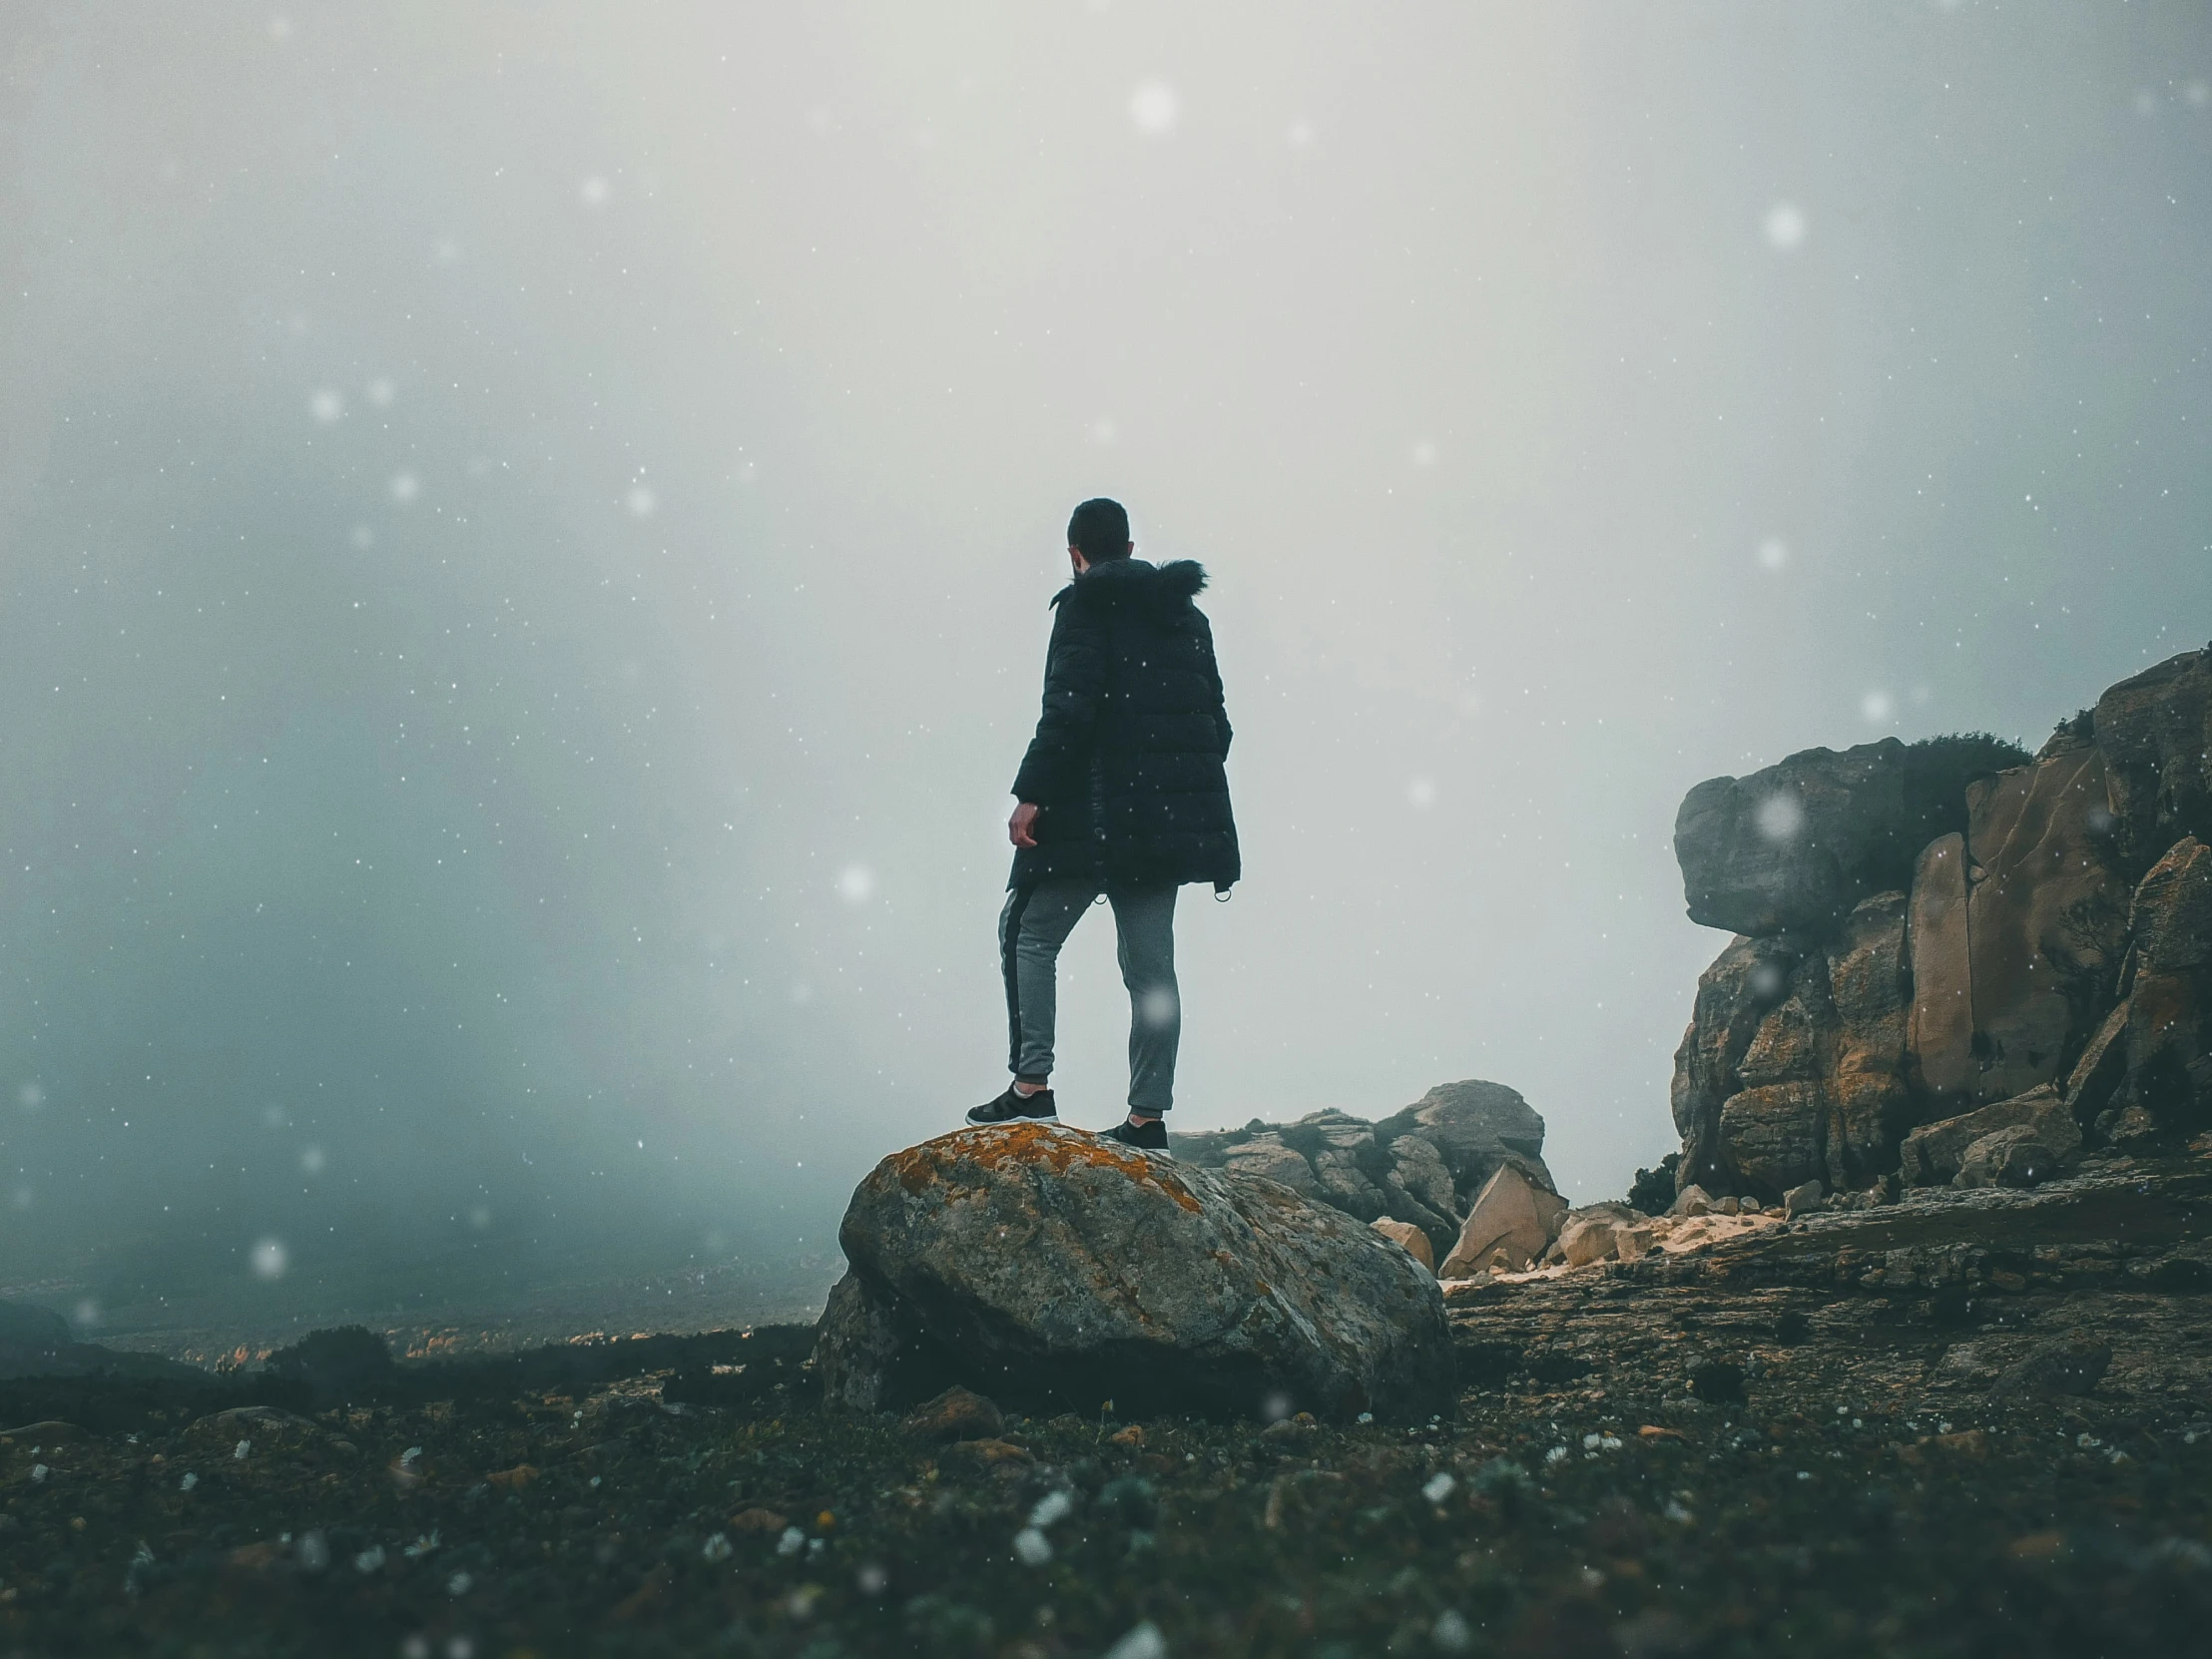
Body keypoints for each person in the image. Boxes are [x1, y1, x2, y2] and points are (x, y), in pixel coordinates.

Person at [968, 498, 1239, 1151]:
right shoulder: (1185, 615)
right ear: (1129, 544)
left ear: (1075, 553)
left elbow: (1069, 709)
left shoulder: (1086, 605)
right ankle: (1147, 1119)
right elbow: (1216, 724)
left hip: (1091, 818)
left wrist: (1032, 795)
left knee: (1028, 933)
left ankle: (1032, 1086)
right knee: (1152, 974)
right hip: (1160, 825)